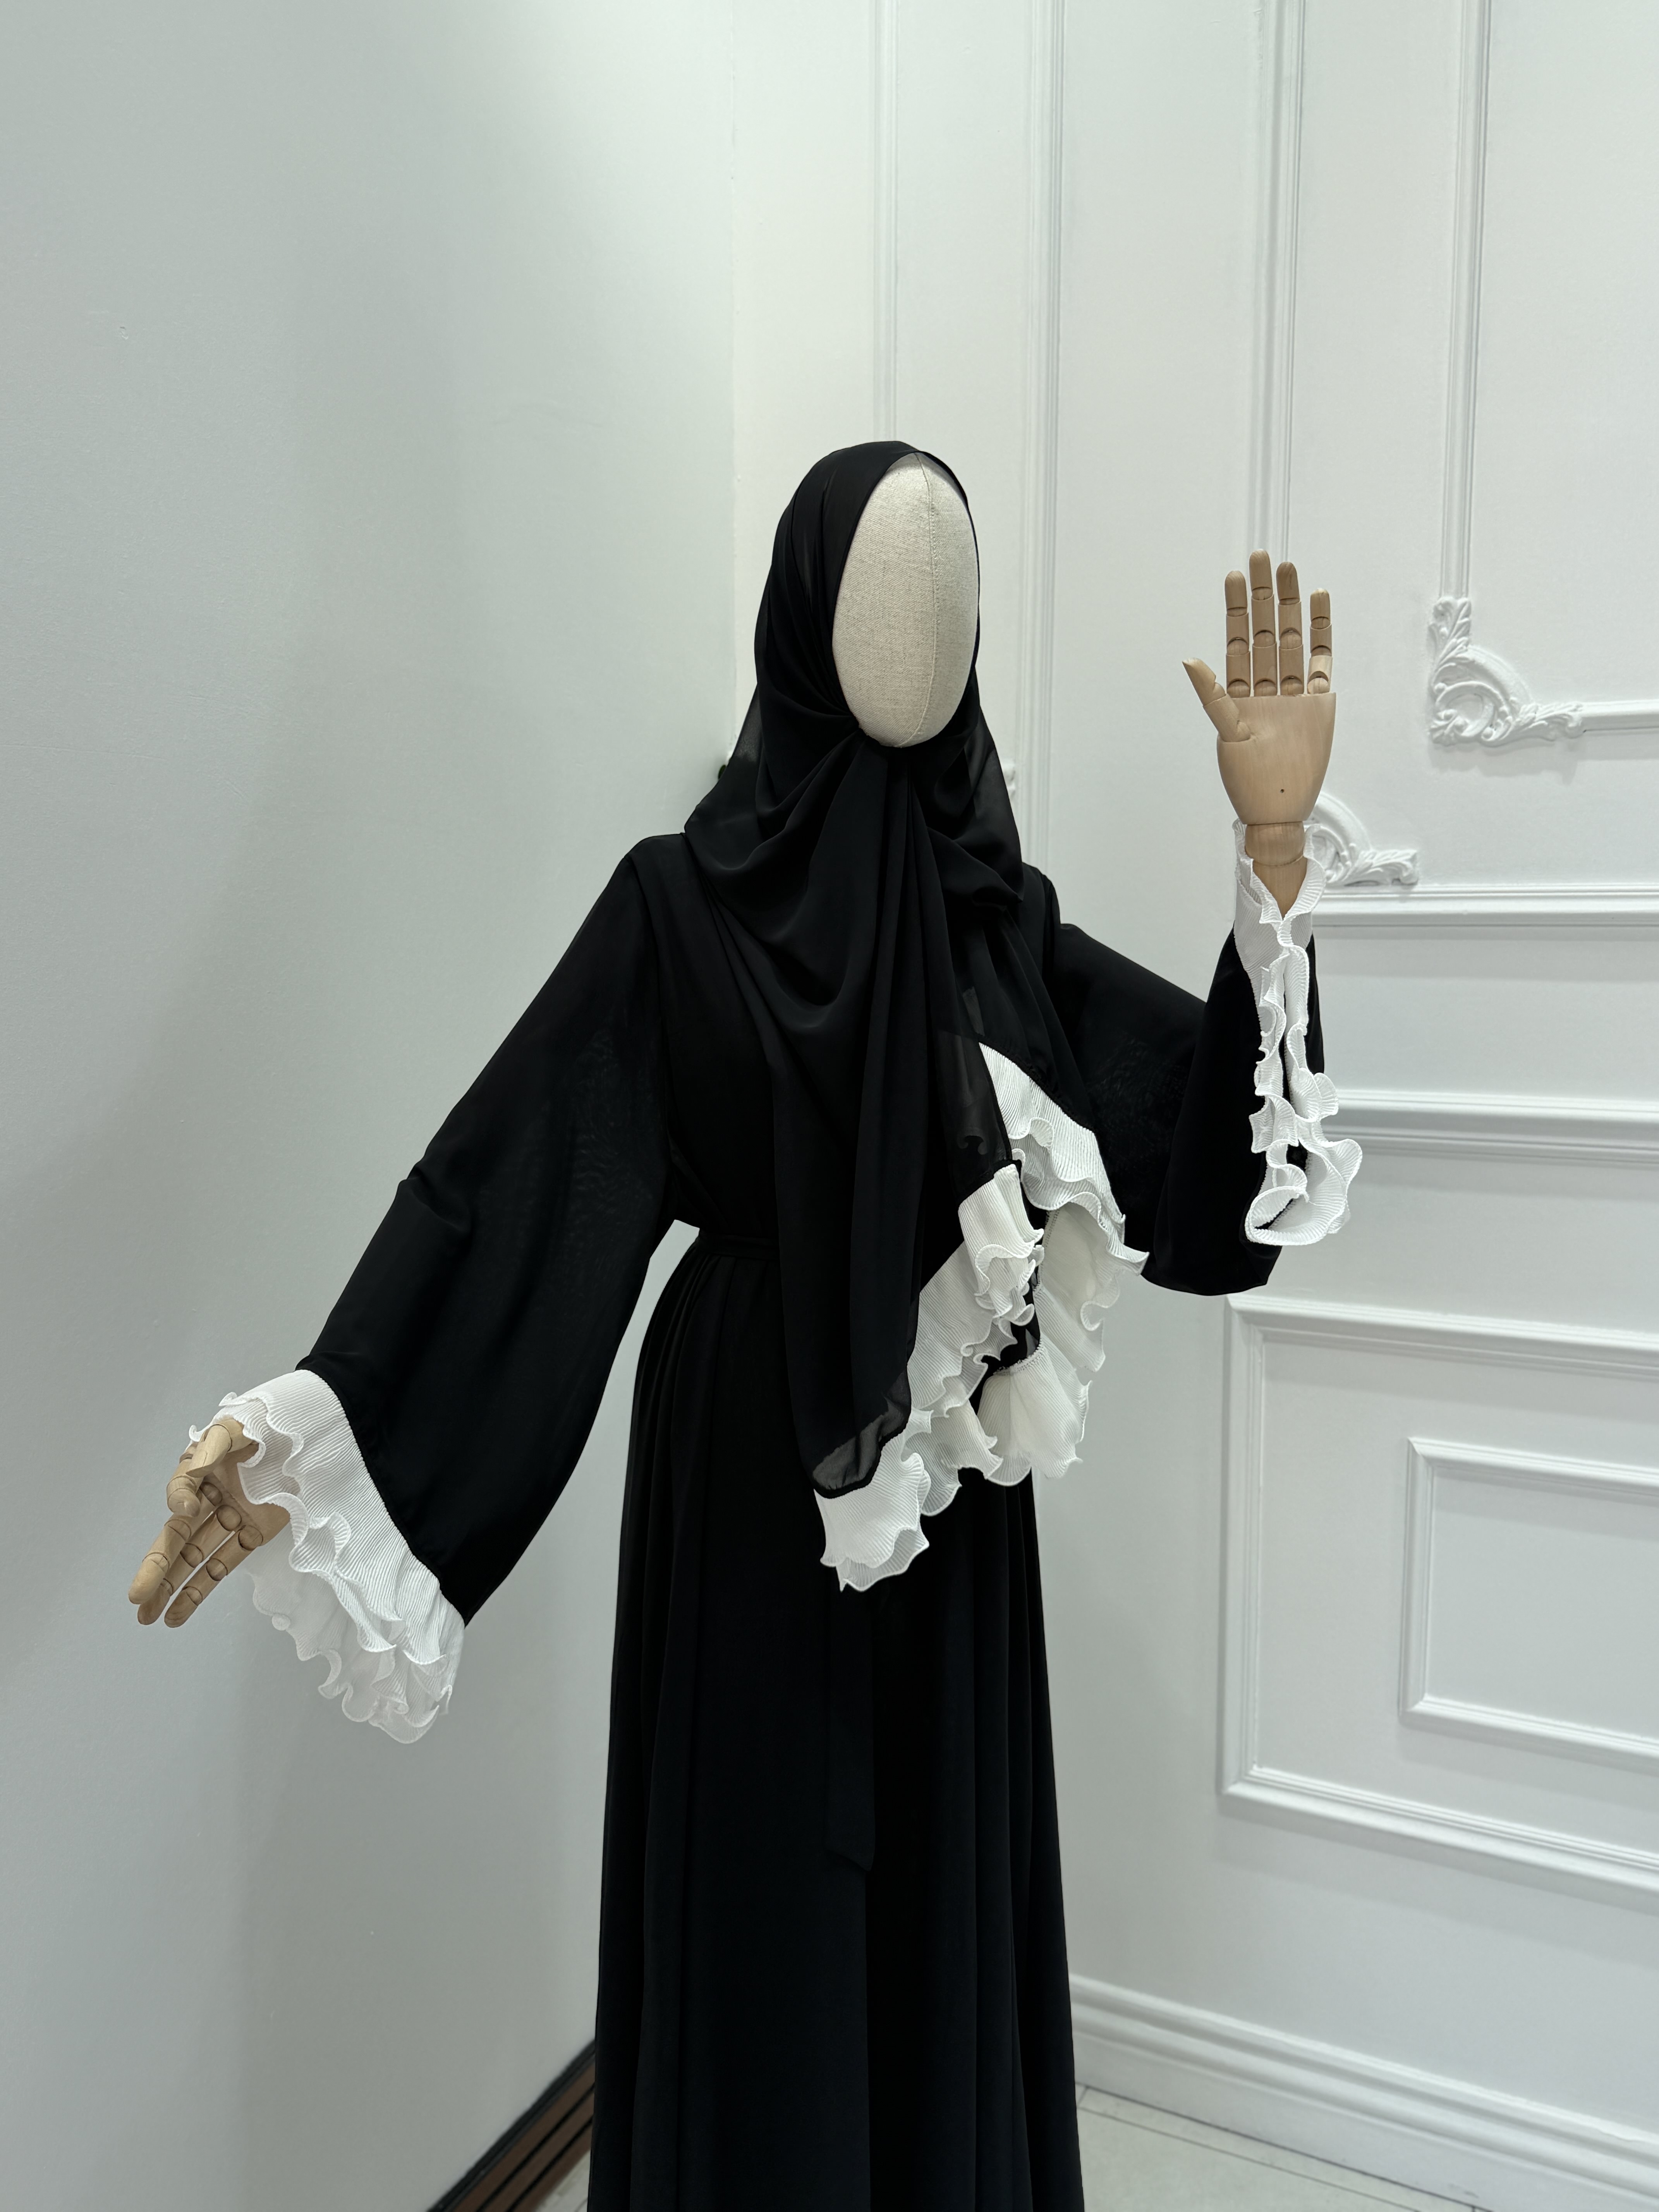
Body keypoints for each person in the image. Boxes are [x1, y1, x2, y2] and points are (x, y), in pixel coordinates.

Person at [127, 442, 1356, 2210]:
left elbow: (1202, 1163)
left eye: (948, 596)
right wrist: (316, 1430)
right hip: (749, 1473)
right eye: (883, 590)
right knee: (759, 1869)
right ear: (800, 620)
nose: (920, 632)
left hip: (940, 1502)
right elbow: (511, 1189)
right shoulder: (677, 904)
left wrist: (1274, 853)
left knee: (930, 1870)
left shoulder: (995, 919)